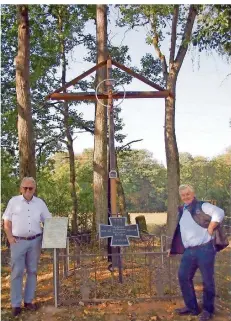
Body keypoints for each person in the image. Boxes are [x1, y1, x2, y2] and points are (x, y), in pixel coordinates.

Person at [168, 184, 228, 321]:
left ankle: (208, 310)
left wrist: (212, 227)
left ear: (193, 194)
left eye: (188, 194)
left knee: (207, 280)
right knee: (183, 276)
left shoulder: (202, 206)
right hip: (189, 251)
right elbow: (180, 232)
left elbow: (219, 212)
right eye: (183, 195)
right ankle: (192, 307)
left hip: (205, 249)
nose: (185, 197)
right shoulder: (182, 210)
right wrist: (171, 248)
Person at [2, 177, 52, 317]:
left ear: (34, 189)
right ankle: (16, 304)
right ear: (21, 188)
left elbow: (48, 220)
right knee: (17, 272)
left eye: (31, 188)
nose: (28, 190)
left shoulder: (40, 203)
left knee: (32, 271)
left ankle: (28, 301)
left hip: (35, 241)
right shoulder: (13, 202)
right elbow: (6, 221)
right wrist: (10, 237)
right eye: (25, 188)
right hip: (17, 241)